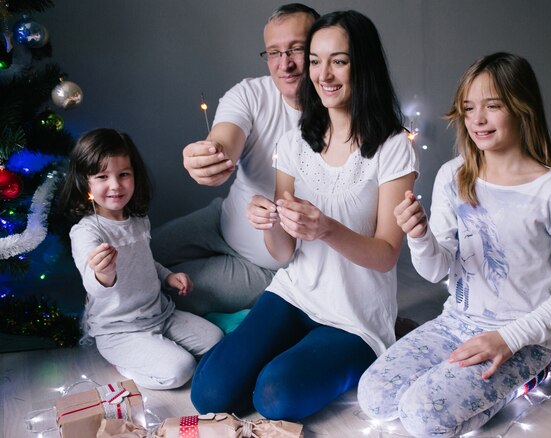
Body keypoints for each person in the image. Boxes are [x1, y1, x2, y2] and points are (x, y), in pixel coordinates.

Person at [190, 10, 418, 421]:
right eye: (315, 60)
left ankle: (370, 349)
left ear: (362, 65)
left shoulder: (394, 146)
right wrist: (271, 221)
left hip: (354, 315)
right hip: (294, 294)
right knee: (208, 396)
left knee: (275, 398)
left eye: (339, 60)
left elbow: (386, 254)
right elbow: (282, 254)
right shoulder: (294, 143)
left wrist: (327, 229)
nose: (323, 75)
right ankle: (279, 348)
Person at [357, 52, 551, 437]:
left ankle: (529, 376)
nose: (477, 120)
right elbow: (436, 270)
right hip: (455, 323)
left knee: (422, 418)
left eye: (493, 106)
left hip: (521, 340)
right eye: (468, 108)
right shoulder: (454, 176)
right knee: (375, 397)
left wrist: (508, 339)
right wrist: (419, 237)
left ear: (522, 109)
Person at [150, 4, 320, 315]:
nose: (285, 64)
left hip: (266, 266)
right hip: (220, 221)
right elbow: (224, 141)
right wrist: (208, 157)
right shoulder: (250, 94)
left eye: (297, 49)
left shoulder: (340, 119)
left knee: (163, 293)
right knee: (137, 255)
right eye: (273, 52)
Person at [59, 128, 223, 390]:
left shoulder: (137, 220)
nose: (115, 185)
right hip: (119, 330)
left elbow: (146, 262)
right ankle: (127, 365)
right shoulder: (86, 232)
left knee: (216, 340)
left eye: (123, 174)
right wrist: (104, 273)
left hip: (160, 314)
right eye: (102, 176)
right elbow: (93, 286)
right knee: (181, 369)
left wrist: (168, 276)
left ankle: (159, 349)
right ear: (85, 182)